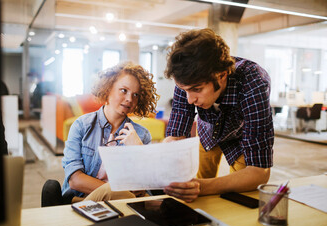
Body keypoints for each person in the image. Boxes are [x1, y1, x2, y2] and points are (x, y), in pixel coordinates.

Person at [163, 28, 274, 203]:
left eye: (197, 90)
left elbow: (259, 173)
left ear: (221, 76)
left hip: (240, 138)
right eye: (184, 90)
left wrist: (201, 187)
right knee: (195, 196)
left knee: (237, 199)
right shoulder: (187, 76)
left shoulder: (253, 82)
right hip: (207, 131)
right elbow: (178, 127)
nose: (190, 99)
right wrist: (167, 153)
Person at [61, 62, 159, 203]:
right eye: (124, 90)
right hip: (83, 199)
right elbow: (75, 181)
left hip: (126, 201)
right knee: (128, 198)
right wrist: (117, 191)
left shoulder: (141, 135)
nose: (130, 99)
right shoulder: (82, 126)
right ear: (107, 89)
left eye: (135, 95)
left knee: (160, 204)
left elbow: (147, 185)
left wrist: (138, 150)